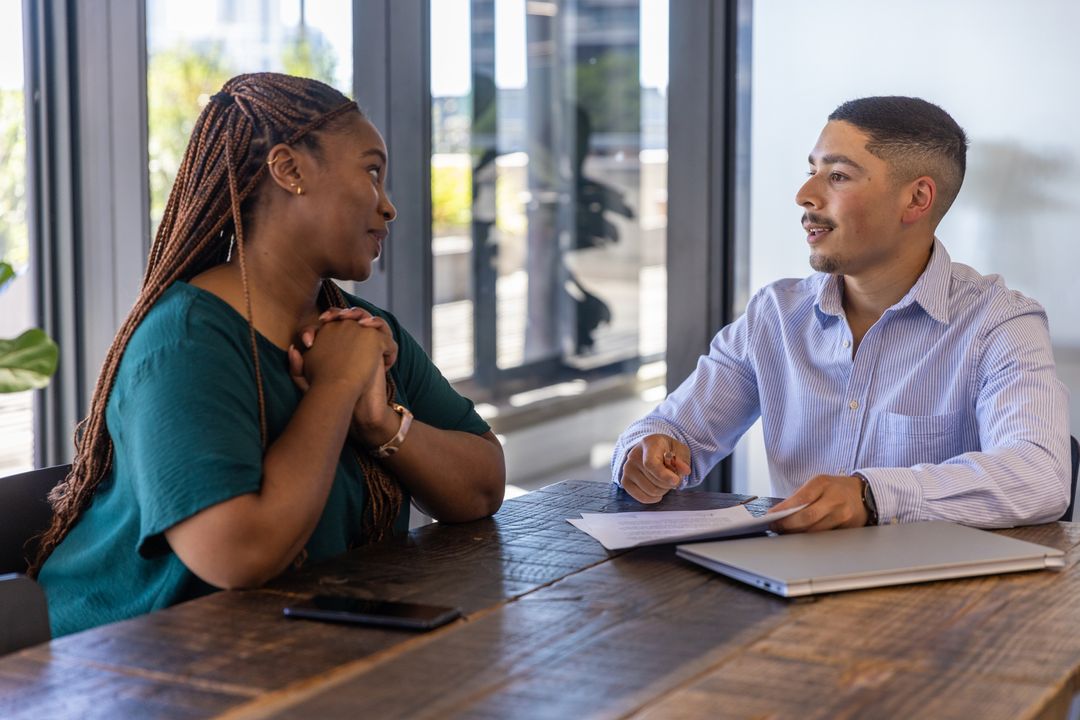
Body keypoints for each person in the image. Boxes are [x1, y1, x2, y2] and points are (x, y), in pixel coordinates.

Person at [32, 73, 505, 636]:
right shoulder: (184, 340)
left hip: (278, 654)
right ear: (289, 170)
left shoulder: (358, 331)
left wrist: (380, 424)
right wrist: (334, 389)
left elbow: (483, 484)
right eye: (371, 172)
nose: (389, 207)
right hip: (111, 673)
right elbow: (235, 553)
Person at [613, 96, 1071, 532]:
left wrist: (872, 497)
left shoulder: (1000, 323)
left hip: (944, 600)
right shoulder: (775, 315)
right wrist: (647, 453)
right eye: (811, 171)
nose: (804, 195)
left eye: (837, 176)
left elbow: (1039, 475)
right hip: (789, 585)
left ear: (916, 200)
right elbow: (673, 429)